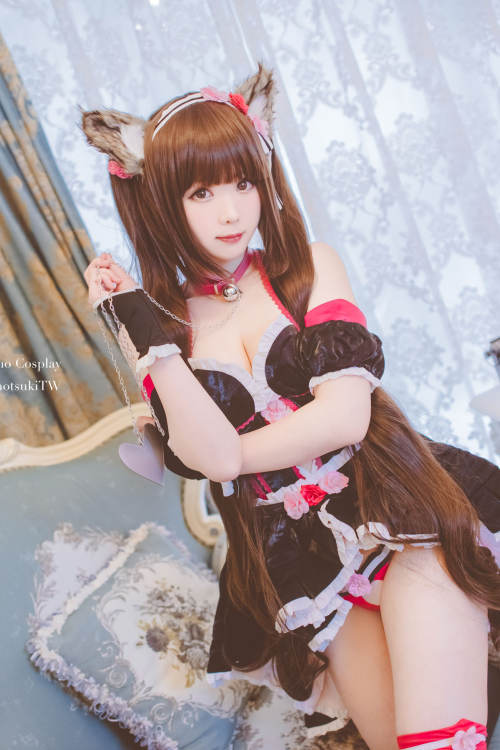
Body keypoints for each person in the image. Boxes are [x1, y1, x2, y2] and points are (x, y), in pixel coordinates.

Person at [81, 65, 499, 750]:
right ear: (159, 202)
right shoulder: (164, 329)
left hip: (401, 518)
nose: (231, 211)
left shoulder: (307, 268)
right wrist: (138, 327)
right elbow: (206, 455)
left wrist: (233, 457)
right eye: (202, 191)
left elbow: (344, 419)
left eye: (243, 183)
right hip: (308, 572)